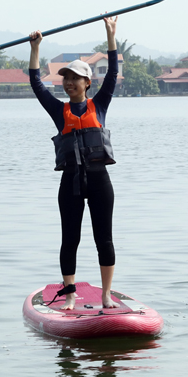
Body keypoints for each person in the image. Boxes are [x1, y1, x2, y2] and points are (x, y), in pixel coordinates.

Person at [29, 17, 119, 310]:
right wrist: (35, 48)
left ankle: (106, 295)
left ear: (86, 83)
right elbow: (36, 84)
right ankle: (69, 295)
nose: (68, 83)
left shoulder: (100, 104)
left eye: (74, 79)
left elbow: (113, 73)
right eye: (65, 79)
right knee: (70, 238)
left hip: (99, 179)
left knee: (103, 239)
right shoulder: (59, 111)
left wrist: (110, 37)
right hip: (70, 181)